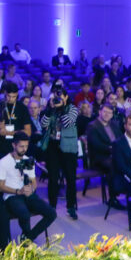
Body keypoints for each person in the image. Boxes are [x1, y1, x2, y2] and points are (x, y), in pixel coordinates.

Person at [0, 132, 57, 242]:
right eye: (21, 146)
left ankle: (28, 238)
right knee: (24, 214)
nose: (24, 149)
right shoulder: (3, 162)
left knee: (51, 213)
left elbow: (34, 181)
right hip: (12, 196)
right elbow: (0, 187)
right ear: (14, 145)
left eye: (26, 146)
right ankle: (27, 241)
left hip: (28, 194)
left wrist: (32, 189)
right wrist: (18, 191)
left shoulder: (28, 160)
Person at [40, 87, 80, 219]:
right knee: (53, 178)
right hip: (53, 145)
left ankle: (71, 206)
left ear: (66, 97)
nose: (57, 98)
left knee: (70, 178)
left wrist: (61, 108)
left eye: (60, 96)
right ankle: (52, 206)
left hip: (68, 147)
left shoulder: (73, 109)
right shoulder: (51, 109)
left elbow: (67, 123)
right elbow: (43, 125)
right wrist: (50, 109)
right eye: (55, 96)